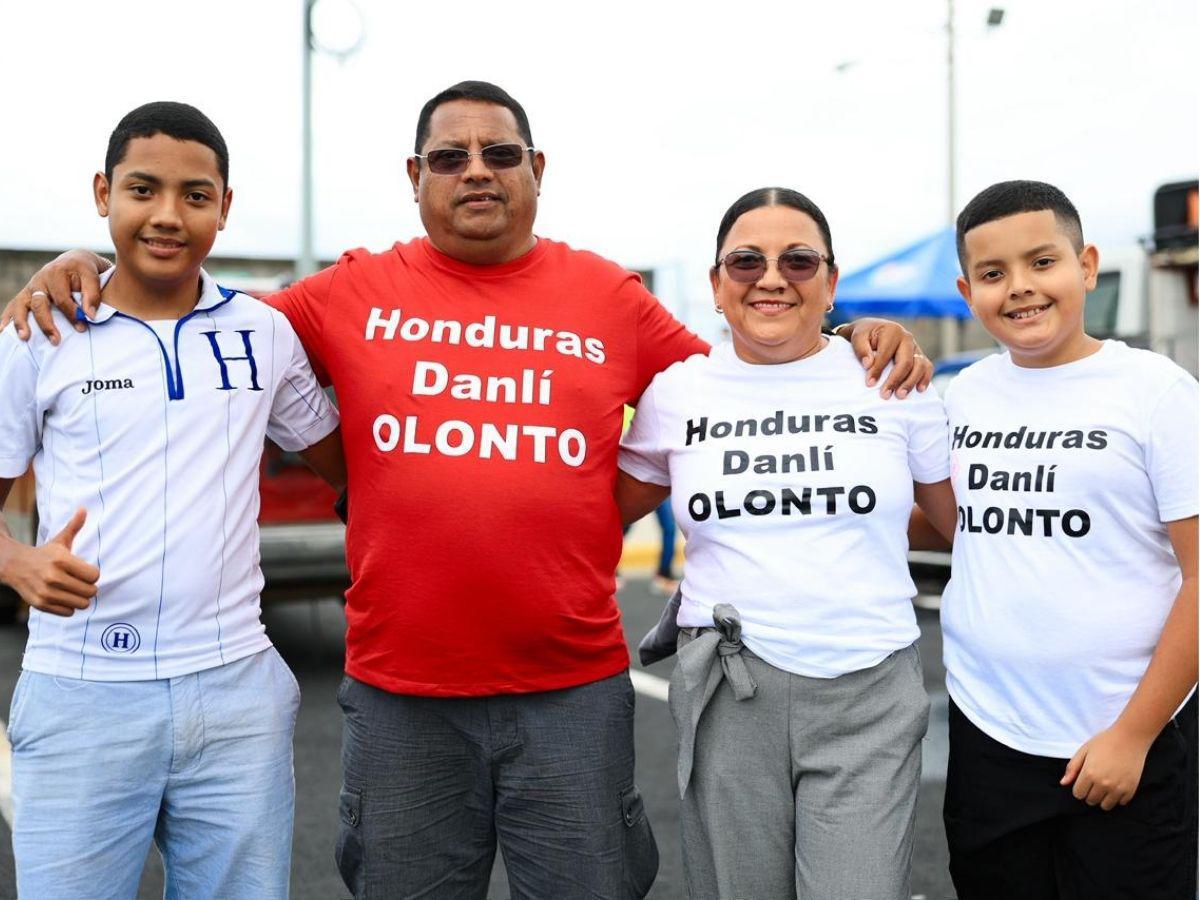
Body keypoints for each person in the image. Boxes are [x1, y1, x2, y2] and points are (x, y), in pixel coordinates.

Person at [1, 82, 934, 899]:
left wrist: (853, 335)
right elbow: (187, 304)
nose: (476, 171)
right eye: (450, 157)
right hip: (402, 695)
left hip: (571, 690)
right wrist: (83, 268)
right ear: (415, 176)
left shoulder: (608, 296)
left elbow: (749, 368)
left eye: (500, 154)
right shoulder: (339, 295)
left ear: (538, 168)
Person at [0, 102, 344, 899]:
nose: (166, 215)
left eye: (195, 195)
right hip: (80, 692)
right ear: (103, 193)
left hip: (236, 696)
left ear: (225, 207)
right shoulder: (39, 333)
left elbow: (353, 469)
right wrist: (16, 565)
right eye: (142, 189)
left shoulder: (264, 334)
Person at [616, 186, 958, 900]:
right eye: (747, 261)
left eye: (798, 260)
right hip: (731, 691)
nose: (772, 277)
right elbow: (593, 518)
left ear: (831, 282)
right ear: (716, 285)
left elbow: (963, 528)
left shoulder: (891, 380)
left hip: (869, 689)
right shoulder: (679, 393)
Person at [939, 180, 1198, 899]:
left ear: (1085, 265)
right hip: (991, 737)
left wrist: (1134, 736)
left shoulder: (1155, 392)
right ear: (968, 290)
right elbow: (943, 519)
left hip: (1123, 746)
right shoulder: (963, 396)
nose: (1019, 288)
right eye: (993, 275)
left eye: (1041, 262)